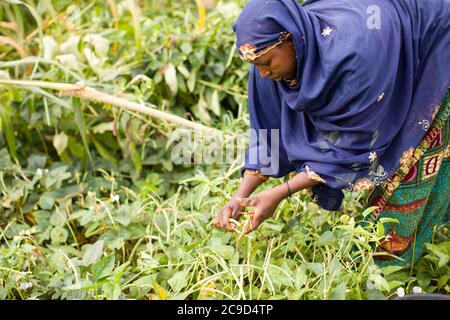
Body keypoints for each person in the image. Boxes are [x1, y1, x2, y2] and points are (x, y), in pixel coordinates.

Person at [212, 0, 450, 267]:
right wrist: (239, 197)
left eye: (266, 63)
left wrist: (281, 192)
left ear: (291, 39)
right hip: (384, 33)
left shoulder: (354, 58)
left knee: (410, 168)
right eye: (255, 65)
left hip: (434, 37)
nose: (262, 72)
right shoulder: (266, 63)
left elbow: (355, 148)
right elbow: (269, 136)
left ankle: (391, 273)